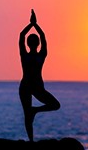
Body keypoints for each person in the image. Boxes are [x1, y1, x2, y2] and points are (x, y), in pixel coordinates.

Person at [18, 9, 60, 142]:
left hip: (33, 87)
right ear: (37, 43)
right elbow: (42, 36)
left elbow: (22, 35)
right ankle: (31, 140)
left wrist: (31, 24)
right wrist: (35, 24)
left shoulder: (26, 55)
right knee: (51, 106)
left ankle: (34, 112)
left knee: (29, 113)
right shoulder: (40, 55)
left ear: (30, 44)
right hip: (29, 86)